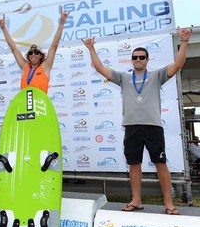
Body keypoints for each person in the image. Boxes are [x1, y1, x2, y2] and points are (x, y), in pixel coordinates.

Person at [82, 27, 192, 215]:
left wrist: (184, 42)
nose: (138, 60)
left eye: (142, 57)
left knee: (160, 163)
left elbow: (179, 64)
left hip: (153, 126)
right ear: (132, 60)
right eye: (135, 57)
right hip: (132, 127)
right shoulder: (124, 77)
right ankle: (136, 200)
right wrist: (91, 48)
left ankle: (168, 203)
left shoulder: (157, 75)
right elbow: (100, 69)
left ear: (147, 60)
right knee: (134, 164)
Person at [0, 8, 70, 93]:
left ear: (41, 55)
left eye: (37, 52)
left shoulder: (46, 66)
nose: (33, 54)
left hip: (40, 104)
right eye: (31, 53)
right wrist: (3, 28)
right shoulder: (24, 66)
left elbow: (54, 46)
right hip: (25, 104)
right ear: (28, 55)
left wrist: (61, 24)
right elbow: (13, 48)